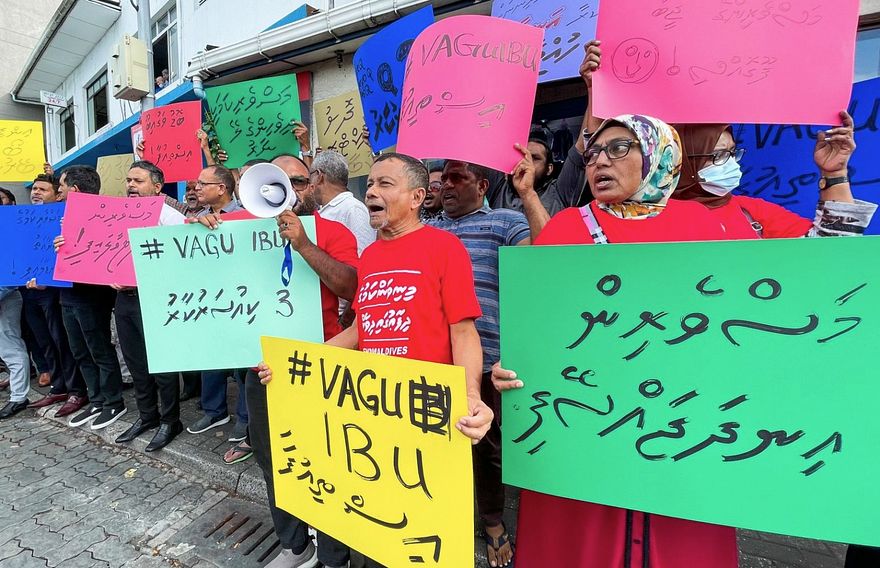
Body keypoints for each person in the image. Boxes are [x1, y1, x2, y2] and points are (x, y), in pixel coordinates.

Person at [493, 114, 740, 568]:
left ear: (660, 155)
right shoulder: (566, 228)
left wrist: (834, 178)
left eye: (619, 148)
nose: (599, 161)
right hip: (585, 425)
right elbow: (539, 326)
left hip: (677, 427)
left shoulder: (704, 226)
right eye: (592, 153)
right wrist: (511, 367)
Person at [257, 151, 494, 568]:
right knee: (375, 529)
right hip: (373, 414)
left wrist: (471, 394)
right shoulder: (371, 258)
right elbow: (359, 331)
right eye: (369, 184)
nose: (371, 192)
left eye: (385, 184)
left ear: (417, 197)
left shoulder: (445, 247)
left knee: (421, 536)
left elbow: (463, 330)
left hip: (425, 417)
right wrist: (294, 363)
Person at [196, 152, 361, 566]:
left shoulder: (333, 231)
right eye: (277, 182)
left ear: (312, 185)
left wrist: (303, 244)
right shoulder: (235, 227)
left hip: (320, 366)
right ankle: (295, 545)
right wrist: (200, 229)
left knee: (326, 461)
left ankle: (333, 553)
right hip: (263, 368)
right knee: (273, 458)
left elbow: (350, 287)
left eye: (298, 181)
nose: (288, 190)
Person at [427, 151, 539, 567]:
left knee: (487, 448)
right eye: (443, 178)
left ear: (482, 186)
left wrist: (528, 196)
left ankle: (492, 521)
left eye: (457, 177)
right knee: (437, 446)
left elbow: (544, 262)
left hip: (487, 359)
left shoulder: (507, 223)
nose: (446, 185)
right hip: (431, 361)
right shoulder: (427, 229)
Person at [113, 161, 187, 452]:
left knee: (162, 364)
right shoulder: (116, 215)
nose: (131, 185)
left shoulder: (171, 218)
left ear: (157, 187)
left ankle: (170, 420)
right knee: (136, 362)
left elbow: (182, 261)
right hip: (124, 300)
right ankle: (147, 416)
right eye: (128, 180)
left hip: (157, 299)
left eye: (138, 181)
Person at [54, 165, 127, 430]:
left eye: (61, 185)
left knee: (100, 351)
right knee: (80, 352)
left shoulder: (108, 214)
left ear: (74, 189)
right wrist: (59, 245)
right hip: (68, 295)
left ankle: (114, 402)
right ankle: (96, 400)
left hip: (93, 297)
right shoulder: (59, 216)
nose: (58, 190)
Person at [25, 174, 89, 417]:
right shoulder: (24, 219)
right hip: (30, 289)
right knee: (45, 341)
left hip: (56, 290)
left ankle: (76, 390)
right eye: (34, 189)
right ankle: (58, 387)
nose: (36, 193)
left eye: (43, 189)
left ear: (56, 195)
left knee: (62, 341)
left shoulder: (65, 217)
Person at [310, 150, 375, 254]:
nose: (309, 183)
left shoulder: (353, 209)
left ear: (319, 176)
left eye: (310, 175)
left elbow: (365, 254)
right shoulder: (330, 208)